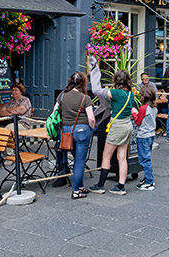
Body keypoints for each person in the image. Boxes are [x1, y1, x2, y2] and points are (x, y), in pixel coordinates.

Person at [89, 56, 137, 196]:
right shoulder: (130, 94)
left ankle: (100, 185)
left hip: (117, 127)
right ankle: (121, 186)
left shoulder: (115, 93)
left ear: (116, 80)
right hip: (128, 126)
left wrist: (94, 69)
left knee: (106, 155)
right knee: (122, 156)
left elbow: (97, 91)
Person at [54, 72, 96, 198]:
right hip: (82, 132)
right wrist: (92, 129)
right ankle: (76, 191)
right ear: (83, 83)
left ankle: (81, 186)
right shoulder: (85, 98)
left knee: (76, 158)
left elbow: (54, 111)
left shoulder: (62, 96)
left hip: (67, 132)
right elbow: (91, 118)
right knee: (79, 162)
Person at [133, 84, 158, 191]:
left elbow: (138, 122)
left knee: (144, 159)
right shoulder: (154, 108)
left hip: (143, 136)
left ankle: (149, 181)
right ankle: (147, 178)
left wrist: (134, 113)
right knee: (147, 157)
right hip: (151, 134)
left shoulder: (143, 108)